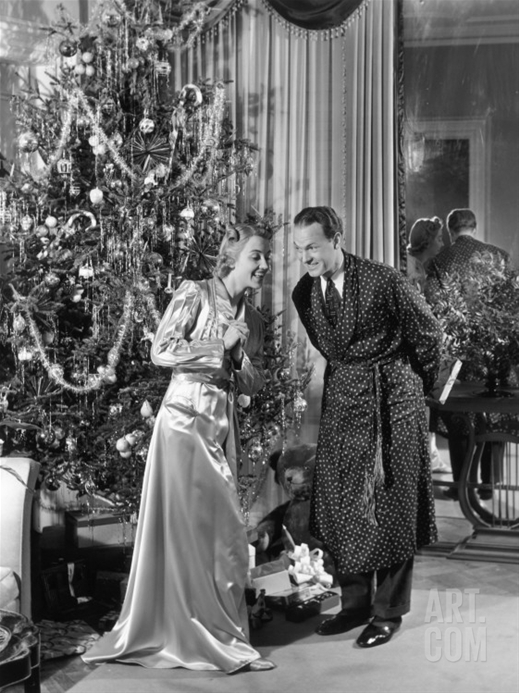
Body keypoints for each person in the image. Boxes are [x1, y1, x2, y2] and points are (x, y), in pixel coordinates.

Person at [83, 224, 275, 673]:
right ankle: (203, 637)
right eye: (256, 256)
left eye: (266, 257)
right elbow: (162, 350)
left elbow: (253, 383)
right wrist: (219, 344)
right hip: (184, 421)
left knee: (217, 533)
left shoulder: (253, 318)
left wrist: (239, 357)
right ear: (232, 257)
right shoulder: (195, 292)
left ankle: (218, 634)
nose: (264, 265)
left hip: (220, 427)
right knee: (206, 531)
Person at [291, 206, 442, 648]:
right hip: (343, 401)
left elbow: (428, 335)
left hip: (392, 401)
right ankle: (355, 605)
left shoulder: (384, 280)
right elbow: (331, 349)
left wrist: (410, 385)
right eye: (299, 250)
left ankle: (388, 612)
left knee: (392, 504)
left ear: (337, 239)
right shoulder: (304, 292)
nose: (306, 258)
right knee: (343, 503)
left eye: (313, 247)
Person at [424, 208, 509, 501]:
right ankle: (490, 483)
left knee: (459, 417)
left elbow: (434, 307)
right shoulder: (499, 256)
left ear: (450, 231)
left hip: (458, 350)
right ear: (474, 227)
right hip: (494, 350)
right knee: (494, 414)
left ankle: (463, 484)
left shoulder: (440, 261)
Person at [406, 217, 450, 474]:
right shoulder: (410, 268)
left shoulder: (420, 267)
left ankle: (428, 455)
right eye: (439, 239)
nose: (442, 244)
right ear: (426, 241)